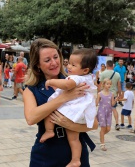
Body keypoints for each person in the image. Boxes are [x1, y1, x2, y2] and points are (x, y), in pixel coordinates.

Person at [23, 38, 98, 167]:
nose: (54, 63)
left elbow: (94, 124)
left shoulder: (76, 81)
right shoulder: (31, 90)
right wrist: (63, 98)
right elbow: (31, 118)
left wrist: (70, 125)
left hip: (76, 153)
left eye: (56, 57)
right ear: (37, 65)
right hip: (46, 154)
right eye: (47, 60)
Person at [99, 60, 121, 131]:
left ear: (106, 65)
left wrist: (99, 93)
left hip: (104, 94)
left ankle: (103, 122)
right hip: (113, 94)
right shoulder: (117, 74)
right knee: (114, 109)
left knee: (103, 108)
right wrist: (119, 94)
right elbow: (119, 86)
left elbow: (100, 85)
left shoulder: (103, 73)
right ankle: (117, 123)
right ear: (113, 66)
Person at [96, 78, 118, 151]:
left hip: (109, 112)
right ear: (103, 84)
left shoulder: (112, 94)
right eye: (107, 84)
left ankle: (101, 135)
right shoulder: (100, 94)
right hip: (101, 112)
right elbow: (96, 104)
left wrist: (115, 100)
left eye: (110, 84)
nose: (109, 85)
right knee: (103, 128)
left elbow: (112, 104)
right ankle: (102, 144)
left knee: (108, 129)